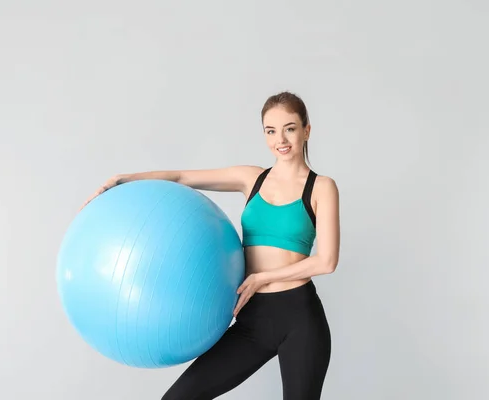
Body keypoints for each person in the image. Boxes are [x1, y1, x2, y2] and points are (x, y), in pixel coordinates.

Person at [82, 91, 340, 399]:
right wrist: (124, 180)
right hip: (253, 320)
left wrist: (262, 277)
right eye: (271, 131)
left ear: (306, 130)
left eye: (290, 128)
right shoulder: (252, 178)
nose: (280, 139)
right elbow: (181, 177)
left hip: (300, 318)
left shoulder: (321, 187)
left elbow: (326, 261)